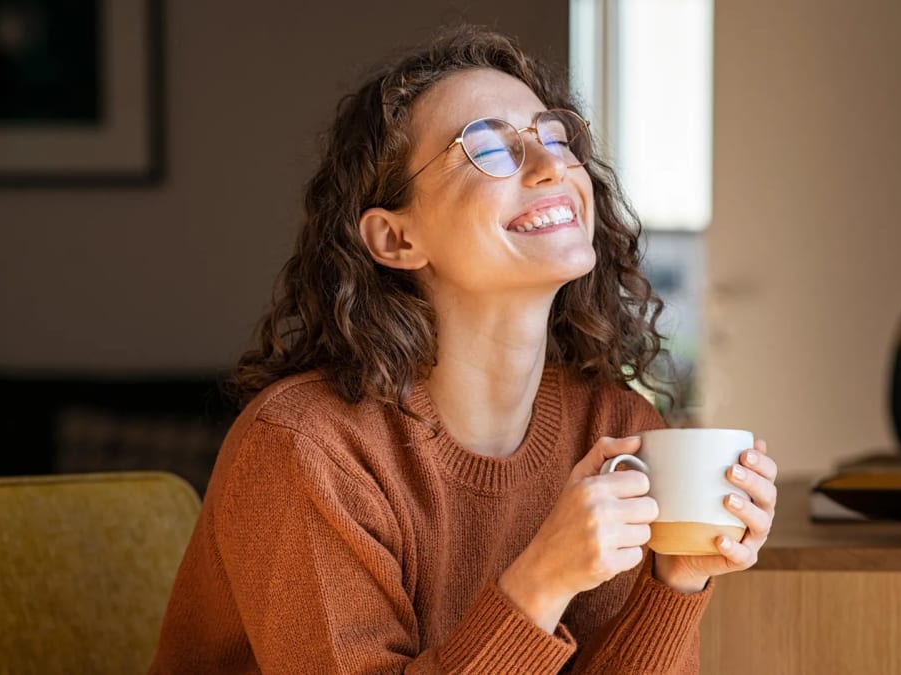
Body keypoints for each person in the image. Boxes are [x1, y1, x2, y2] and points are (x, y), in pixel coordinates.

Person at [149, 26, 778, 674]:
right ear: (395, 238)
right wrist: (539, 582)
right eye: (487, 147)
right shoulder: (307, 449)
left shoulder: (615, 430)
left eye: (554, 135)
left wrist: (676, 582)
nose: (552, 164)